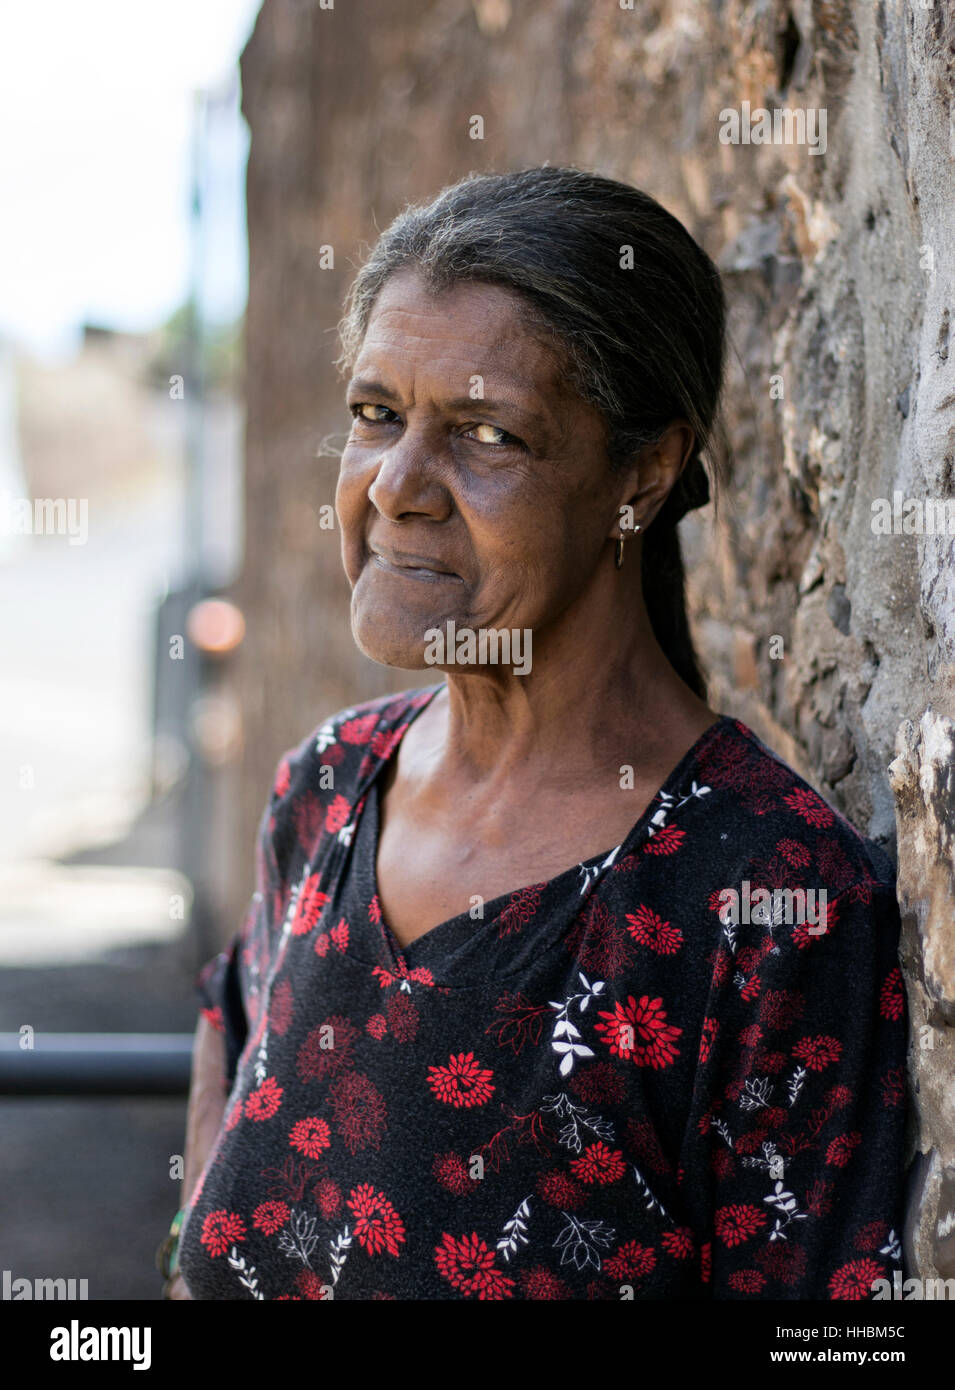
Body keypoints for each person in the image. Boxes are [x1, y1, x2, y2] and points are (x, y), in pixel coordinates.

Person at [170, 167, 907, 1301]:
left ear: (645, 473)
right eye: (376, 415)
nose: (397, 486)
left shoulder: (767, 898)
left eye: (486, 433)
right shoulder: (323, 792)